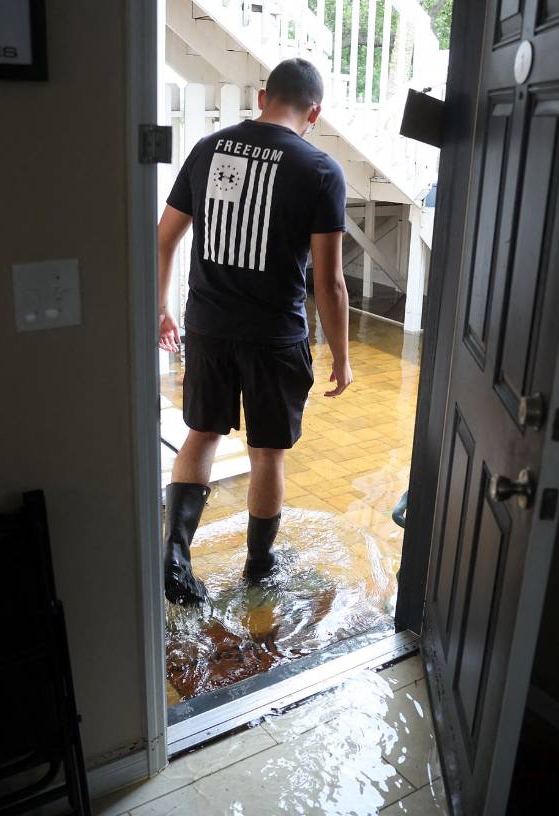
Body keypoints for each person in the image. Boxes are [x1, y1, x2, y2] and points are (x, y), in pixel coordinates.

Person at [156, 58, 352, 606]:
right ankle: (259, 568)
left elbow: (164, 237)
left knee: (202, 433)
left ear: (263, 96)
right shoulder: (320, 170)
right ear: (314, 112)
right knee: (267, 453)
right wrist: (341, 356)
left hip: (208, 326)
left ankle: (175, 557)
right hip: (274, 335)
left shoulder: (209, 149)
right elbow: (330, 282)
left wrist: (160, 309)